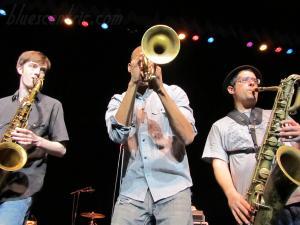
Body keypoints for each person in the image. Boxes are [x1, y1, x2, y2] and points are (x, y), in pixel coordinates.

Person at [105, 46, 197, 225]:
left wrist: (160, 90)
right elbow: (117, 136)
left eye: (149, 60)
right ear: (129, 67)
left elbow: (188, 137)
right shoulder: (118, 100)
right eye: (140, 60)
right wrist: (133, 85)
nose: (145, 64)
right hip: (133, 190)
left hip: (173, 188)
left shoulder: (175, 93)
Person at [202, 65, 300, 225]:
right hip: (255, 206)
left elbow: (296, 155)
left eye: (255, 81)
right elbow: (218, 163)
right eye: (246, 80)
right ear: (231, 89)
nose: (253, 84)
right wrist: (231, 195)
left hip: (293, 201)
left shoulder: (279, 116)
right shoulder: (220, 126)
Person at [0, 50, 69, 225]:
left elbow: (61, 150)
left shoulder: (53, 105)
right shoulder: (1, 104)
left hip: (19, 190)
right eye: (33, 66)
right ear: (19, 68)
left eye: (43, 70)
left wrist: (36, 140)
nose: (38, 72)